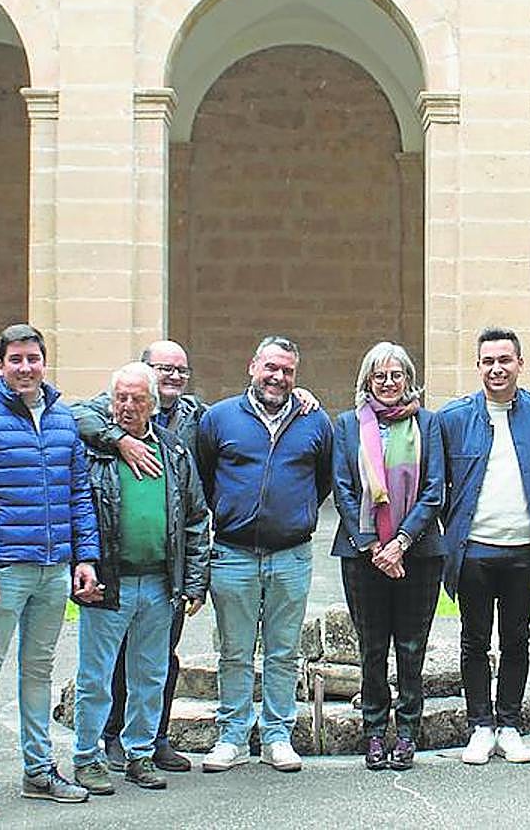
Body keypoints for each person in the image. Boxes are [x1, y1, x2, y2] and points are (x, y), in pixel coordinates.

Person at [73, 339, 318, 772]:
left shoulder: (194, 421)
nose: (278, 377)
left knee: (157, 666)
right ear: (251, 366)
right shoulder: (104, 431)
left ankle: (149, 747)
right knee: (108, 670)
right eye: (162, 369)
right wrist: (119, 441)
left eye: (179, 371)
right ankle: (101, 748)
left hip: (212, 568)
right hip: (162, 565)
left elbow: (193, 506)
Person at [0, 324, 101, 820]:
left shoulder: (61, 420)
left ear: (43, 362)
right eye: (16, 359)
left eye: (33, 358)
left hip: (54, 569)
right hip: (3, 570)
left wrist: (85, 557)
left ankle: (39, 771)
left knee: (38, 672)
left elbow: (79, 494)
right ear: (0, 365)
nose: (26, 367)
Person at [70, 363, 210, 794]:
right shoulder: (93, 449)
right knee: (95, 677)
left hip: (158, 584)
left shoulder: (175, 452)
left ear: (153, 404)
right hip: (108, 583)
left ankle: (139, 754)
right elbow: (76, 512)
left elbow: (195, 518)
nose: (127, 407)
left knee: (149, 675)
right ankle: (87, 756)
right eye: (120, 399)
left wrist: (194, 581)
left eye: (137, 399)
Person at [196, 336, 333, 774]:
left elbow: (323, 480)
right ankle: (232, 735)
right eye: (271, 367)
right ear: (253, 366)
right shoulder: (219, 419)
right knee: (234, 652)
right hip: (233, 555)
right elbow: (203, 477)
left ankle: (277, 735)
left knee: (283, 652)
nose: (278, 377)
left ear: (296, 376)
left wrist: (294, 512)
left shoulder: (314, 421)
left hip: (291, 556)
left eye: (287, 371)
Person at [439, 326, 530, 765]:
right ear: (478, 366)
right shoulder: (453, 418)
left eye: (504, 360)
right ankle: (480, 726)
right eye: (488, 361)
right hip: (475, 549)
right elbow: (441, 483)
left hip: (523, 548)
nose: (496, 368)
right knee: (473, 641)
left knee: (517, 638)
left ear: (520, 364)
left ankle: (508, 724)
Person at [331, 342, 445, 771]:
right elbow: (342, 488)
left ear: (408, 379)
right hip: (363, 555)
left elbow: (435, 488)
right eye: (380, 375)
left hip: (418, 552)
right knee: (372, 647)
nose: (389, 383)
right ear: (367, 381)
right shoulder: (346, 425)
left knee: (412, 647)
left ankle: (408, 732)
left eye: (396, 375)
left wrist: (400, 542)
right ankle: (375, 732)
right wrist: (374, 545)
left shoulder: (427, 424)